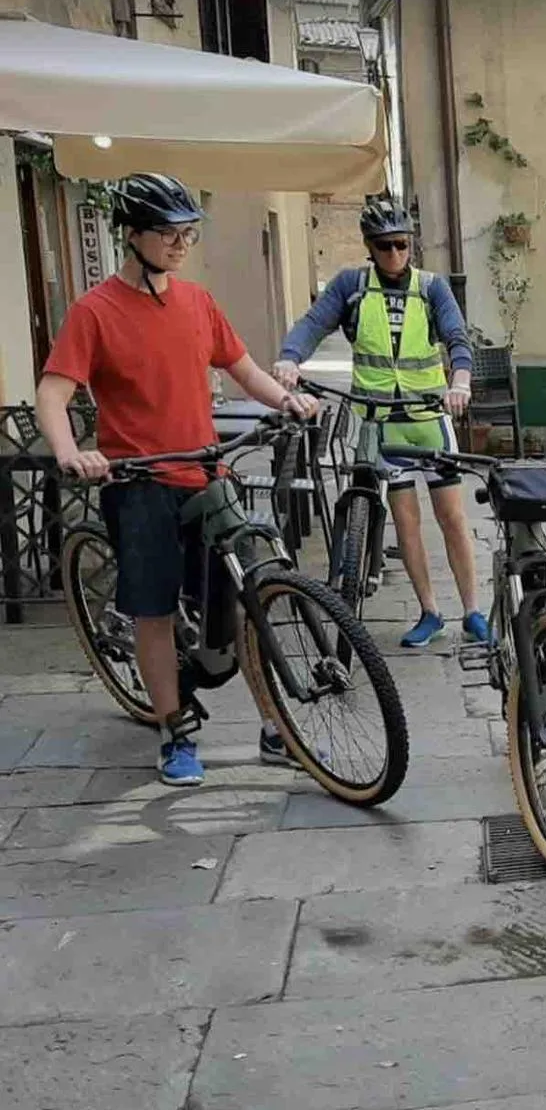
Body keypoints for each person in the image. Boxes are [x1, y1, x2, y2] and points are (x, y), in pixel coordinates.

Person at [36, 173, 320, 785]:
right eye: (168, 233)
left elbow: (243, 368)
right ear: (132, 234)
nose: (181, 244)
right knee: (156, 609)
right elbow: (53, 393)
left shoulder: (197, 302)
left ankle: (275, 725)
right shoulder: (94, 312)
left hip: (205, 471)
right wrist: (71, 452)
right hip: (138, 480)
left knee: (245, 597)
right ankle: (175, 730)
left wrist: (286, 401)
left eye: (188, 233)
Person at [274, 199, 486, 649]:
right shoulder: (351, 286)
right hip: (381, 424)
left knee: (452, 517)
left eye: (401, 244)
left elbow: (457, 337)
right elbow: (313, 323)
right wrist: (290, 358)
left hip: (428, 418)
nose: (394, 254)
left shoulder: (432, 288)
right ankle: (429, 611)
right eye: (385, 246)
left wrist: (461, 381)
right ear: (369, 247)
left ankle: (472, 611)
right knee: (406, 522)